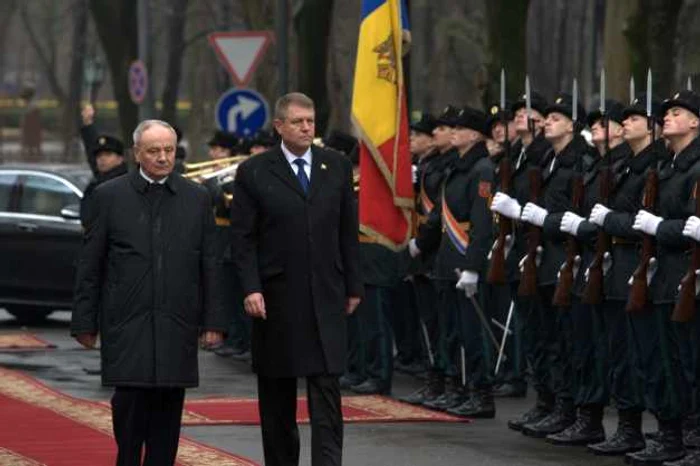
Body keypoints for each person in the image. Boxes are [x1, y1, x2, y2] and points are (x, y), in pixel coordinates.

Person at [70, 119, 226, 466]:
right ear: (136, 153)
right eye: (154, 151)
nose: (162, 158)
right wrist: (84, 321)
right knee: (129, 416)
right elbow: (90, 264)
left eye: (168, 150)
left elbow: (211, 265)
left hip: (176, 325)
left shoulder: (196, 198)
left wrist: (214, 321)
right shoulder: (109, 196)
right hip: (127, 326)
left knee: (167, 423)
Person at [230, 92, 363, 466]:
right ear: (279, 126)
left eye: (311, 121)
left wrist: (354, 284)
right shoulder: (255, 171)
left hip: (326, 293)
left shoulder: (334, 165)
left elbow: (345, 230)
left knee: (326, 388)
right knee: (277, 393)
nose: (307, 128)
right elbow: (242, 239)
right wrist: (251, 287)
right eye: (298, 121)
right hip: (276, 297)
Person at [585, 94, 664, 456]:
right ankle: (628, 427)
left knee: (643, 355)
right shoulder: (627, 166)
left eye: (636, 118)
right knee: (619, 351)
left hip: (637, 263)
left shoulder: (654, 166)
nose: (628, 122)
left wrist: (609, 220)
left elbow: (640, 219)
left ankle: (657, 432)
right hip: (616, 264)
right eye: (626, 118)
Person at [626, 90, 700, 465]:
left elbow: (693, 224)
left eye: (676, 112)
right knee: (666, 363)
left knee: (692, 364)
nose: (666, 118)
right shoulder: (669, 166)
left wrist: (660, 227)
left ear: (695, 121)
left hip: (690, 274)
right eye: (665, 113)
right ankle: (674, 438)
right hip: (666, 277)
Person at [409, 106, 496, 417]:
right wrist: (420, 244)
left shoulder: (482, 169)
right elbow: (438, 215)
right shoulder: (456, 169)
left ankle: (481, 393)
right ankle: (457, 387)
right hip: (447, 257)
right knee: (452, 330)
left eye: (459, 128)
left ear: (474, 134)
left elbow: (483, 221)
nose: (451, 131)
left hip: (465, 256)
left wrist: (473, 266)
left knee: (471, 331)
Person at [79, 104, 128, 229]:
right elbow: (91, 149)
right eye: (99, 155)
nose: (102, 159)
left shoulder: (124, 183)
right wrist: (87, 123)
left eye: (108, 154)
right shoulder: (102, 177)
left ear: (120, 159)